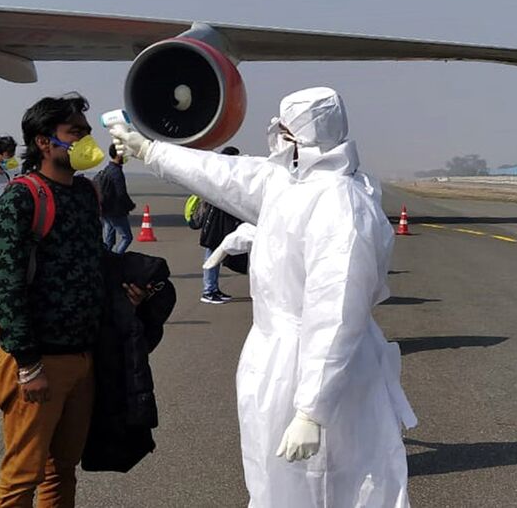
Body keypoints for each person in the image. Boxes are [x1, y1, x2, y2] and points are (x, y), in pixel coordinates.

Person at [112, 87, 417, 507]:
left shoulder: (340, 205)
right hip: (275, 358)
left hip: (315, 370)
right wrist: (150, 150)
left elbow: (335, 316)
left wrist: (313, 408)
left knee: (328, 483)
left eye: (285, 130)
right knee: (273, 478)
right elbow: (223, 174)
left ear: (304, 137)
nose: (276, 137)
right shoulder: (289, 182)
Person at [0, 93, 149, 508]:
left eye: (86, 132)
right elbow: (4, 287)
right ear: (44, 142)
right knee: (21, 477)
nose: (85, 140)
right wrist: (27, 364)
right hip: (38, 361)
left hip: (82, 358)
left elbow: (91, 260)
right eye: (74, 133)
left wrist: (123, 289)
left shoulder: (84, 193)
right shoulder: (21, 198)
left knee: (62, 471)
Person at [198, 146, 243, 304]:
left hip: (217, 221)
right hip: (215, 222)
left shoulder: (216, 174)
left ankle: (212, 288)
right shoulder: (222, 177)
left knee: (214, 253)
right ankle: (208, 291)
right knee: (212, 254)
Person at [96, 143, 136, 254]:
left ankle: (105, 261)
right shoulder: (116, 172)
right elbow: (121, 193)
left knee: (108, 240)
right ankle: (117, 259)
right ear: (119, 155)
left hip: (105, 210)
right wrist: (130, 205)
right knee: (127, 237)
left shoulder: (107, 169)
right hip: (116, 211)